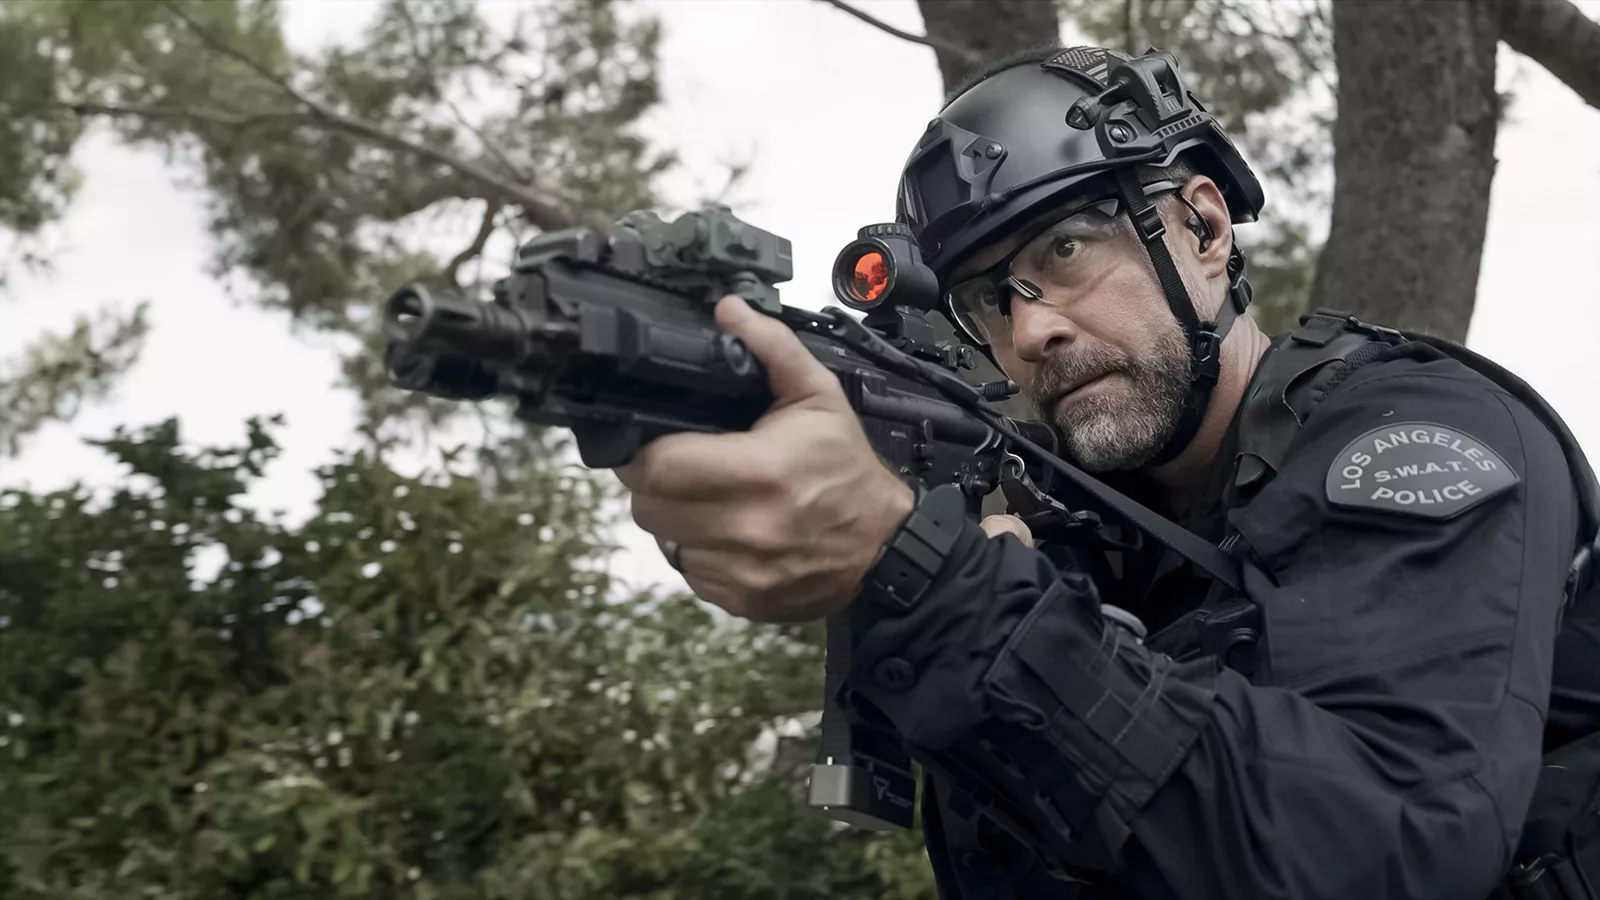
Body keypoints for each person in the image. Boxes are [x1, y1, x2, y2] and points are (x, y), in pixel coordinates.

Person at [617, 45, 1599, 899]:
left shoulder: (1415, 435)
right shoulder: (1068, 518)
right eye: (988, 300)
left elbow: (1391, 849)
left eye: (1066, 248)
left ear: (1204, 230)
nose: (1030, 331)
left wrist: (950, 595)